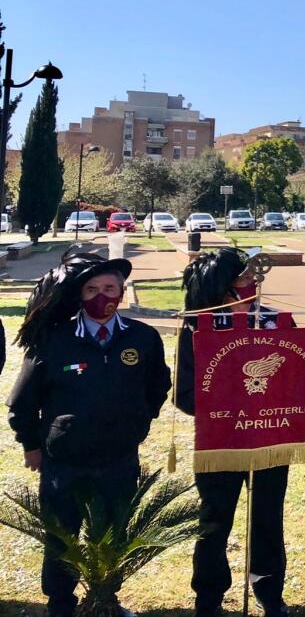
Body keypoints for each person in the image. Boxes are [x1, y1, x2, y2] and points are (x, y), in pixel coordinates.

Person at [8, 252, 171, 617]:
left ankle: (105, 600)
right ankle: (61, 605)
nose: (102, 296)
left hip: (118, 458)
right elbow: (22, 402)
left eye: (110, 288)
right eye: (92, 289)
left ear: (123, 291)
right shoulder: (53, 339)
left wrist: (138, 423)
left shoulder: (143, 338)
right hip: (64, 460)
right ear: (79, 295)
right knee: (61, 538)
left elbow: (158, 386)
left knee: (113, 537)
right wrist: (31, 445)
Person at [177, 247, 291, 617]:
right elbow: (185, 394)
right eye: (244, 279)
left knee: (268, 519)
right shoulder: (196, 326)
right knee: (214, 520)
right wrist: (229, 406)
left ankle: (269, 592)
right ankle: (208, 597)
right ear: (223, 286)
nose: (252, 283)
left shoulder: (275, 321)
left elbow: (297, 379)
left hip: (269, 440)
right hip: (219, 441)